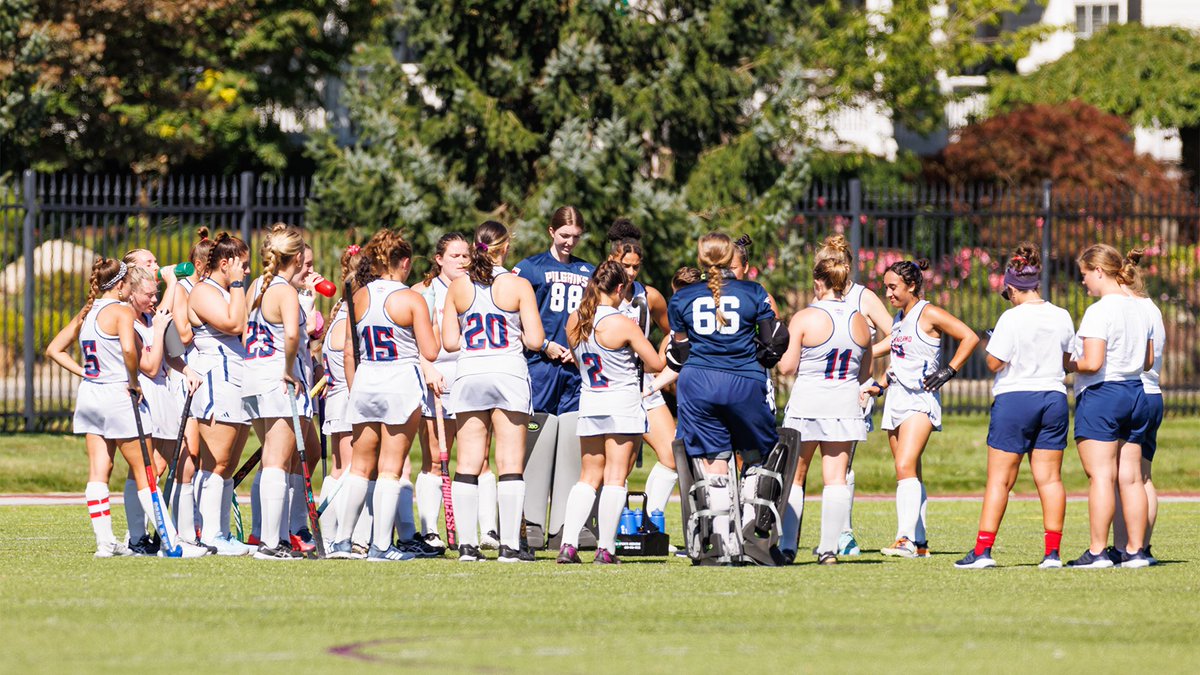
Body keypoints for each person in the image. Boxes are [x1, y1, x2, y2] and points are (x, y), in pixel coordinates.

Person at [46, 258, 205, 557]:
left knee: (99, 470)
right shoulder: (121, 311)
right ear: (121, 285)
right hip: (118, 394)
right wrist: (133, 382)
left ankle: (105, 543)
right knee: (146, 472)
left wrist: (86, 373)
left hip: (91, 395)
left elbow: (54, 349)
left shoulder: (87, 311)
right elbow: (131, 350)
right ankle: (171, 544)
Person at [667, 232, 790, 565]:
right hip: (743, 381)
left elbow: (680, 352)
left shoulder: (682, 297)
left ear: (702, 259)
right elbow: (772, 342)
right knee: (757, 455)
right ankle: (751, 537)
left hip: (698, 384)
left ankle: (722, 542)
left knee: (714, 462)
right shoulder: (754, 292)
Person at [954, 244, 1074, 570]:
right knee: (1050, 479)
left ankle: (982, 551)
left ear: (1011, 287)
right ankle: (1052, 554)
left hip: (1016, 398)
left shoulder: (1011, 317)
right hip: (1053, 397)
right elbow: (1067, 360)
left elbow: (994, 363)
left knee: (1000, 480)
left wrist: (991, 342)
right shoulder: (1061, 315)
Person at [328, 229, 439, 562]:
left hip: (365, 380)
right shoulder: (411, 298)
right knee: (391, 468)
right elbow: (430, 351)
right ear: (404, 262)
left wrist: (355, 389)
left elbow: (349, 351)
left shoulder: (358, 295)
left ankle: (343, 541)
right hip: (400, 381)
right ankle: (380, 545)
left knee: (359, 467)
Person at [443, 221, 546, 562]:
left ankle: (467, 546)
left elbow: (450, 342)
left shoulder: (458, 286)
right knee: (509, 462)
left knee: (468, 461)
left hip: (470, 372)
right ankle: (509, 546)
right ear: (506, 248)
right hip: (507, 372)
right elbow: (535, 340)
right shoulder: (518, 285)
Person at [557, 261, 667, 564]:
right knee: (615, 477)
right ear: (620, 288)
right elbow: (656, 364)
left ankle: (568, 545)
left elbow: (578, 361)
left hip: (591, 401)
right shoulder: (622, 323)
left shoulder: (576, 318)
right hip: (622, 403)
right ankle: (605, 549)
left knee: (587, 477)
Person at [868, 259, 979, 558]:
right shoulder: (899, 318)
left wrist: (950, 370)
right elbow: (897, 357)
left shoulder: (928, 313)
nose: (888, 293)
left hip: (920, 399)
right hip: (896, 399)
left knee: (904, 466)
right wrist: (879, 384)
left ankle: (903, 539)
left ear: (912, 285)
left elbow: (969, 337)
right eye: (886, 287)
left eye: (893, 287)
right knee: (910, 471)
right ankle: (920, 543)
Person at [775, 255, 874, 565]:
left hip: (808, 401)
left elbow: (787, 367)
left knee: (795, 477)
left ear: (818, 283)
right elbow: (866, 372)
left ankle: (787, 547)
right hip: (844, 402)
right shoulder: (860, 320)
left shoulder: (805, 317)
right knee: (836, 479)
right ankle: (829, 549)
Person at [806, 234, 894, 556]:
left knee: (842, 463)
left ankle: (844, 534)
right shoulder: (819, 299)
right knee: (823, 465)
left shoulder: (863, 297)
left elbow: (896, 334)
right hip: (820, 390)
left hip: (852, 388)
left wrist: (866, 352)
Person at [1066, 245, 1154, 569]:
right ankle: (1135, 550)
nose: (1084, 282)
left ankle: (1098, 551)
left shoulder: (1099, 311)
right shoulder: (1141, 308)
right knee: (1131, 478)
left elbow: (1092, 362)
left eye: (1085, 274)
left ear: (1099, 271)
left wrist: (1066, 363)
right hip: (1136, 393)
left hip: (1103, 395)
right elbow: (1148, 361)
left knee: (1101, 476)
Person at [513, 206, 595, 547]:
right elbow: (511, 320)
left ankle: (565, 524)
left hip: (574, 370)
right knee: (539, 435)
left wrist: (581, 351)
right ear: (551, 232)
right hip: (540, 365)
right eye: (564, 235)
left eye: (575, 237)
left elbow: (596, 318)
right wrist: (543, 345)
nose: (569, 242)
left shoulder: (588, 271)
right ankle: (531, 521)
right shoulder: (530, 269)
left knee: (572, 442)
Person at [411, 233, 494, 550]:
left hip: (471, 378)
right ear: (439, 259)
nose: (462, 261)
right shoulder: (423, 292)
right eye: (455, 256)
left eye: (465, 256)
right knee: (434, 459)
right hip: (438, 380)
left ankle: (488, 530)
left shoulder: (478, 287)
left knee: (480, 459)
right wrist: (427, 368)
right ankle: (430, 530)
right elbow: (410, 340)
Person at [241, 224, 313, 560]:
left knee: (271, 456)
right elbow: (292, 337)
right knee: (277, 461)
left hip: (253, 375)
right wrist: (287, 368)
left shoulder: (257, 285)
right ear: (297, 258)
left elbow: (244, 330)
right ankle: (272, 542)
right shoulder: (285, 291)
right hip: (276, 378)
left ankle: (271, 536)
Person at [126, 265, 205, 555]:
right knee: (148, 469)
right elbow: (148, 366)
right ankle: (138, 535)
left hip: (163, 394)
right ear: (131, 294)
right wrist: (159, 329)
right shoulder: (128, 323)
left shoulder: (152, 318)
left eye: (155, 293)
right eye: (148, 295)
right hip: (145, 396)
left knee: (183, 463)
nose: (154, 300)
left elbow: (169, 356)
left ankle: (183, 535)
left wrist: (187, 370)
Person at [606, 219, 679, 523]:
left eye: (636, 267)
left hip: (645, 385)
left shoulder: (649, 297)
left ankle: (649, 524)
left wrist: (659, 359)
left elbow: (674, 331)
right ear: (612, 260)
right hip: (612, 386)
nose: (631, 272)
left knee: (673, 455)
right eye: (626, 266)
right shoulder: (596, 295)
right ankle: (616, 527)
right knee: (618, 466)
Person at [187, 233, 255, 556]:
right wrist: (239, 285)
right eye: (242, 265)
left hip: (239, 378)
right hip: (218, 378)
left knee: (228, 464)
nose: (247, 271)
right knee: (216, 461)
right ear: (225, 264)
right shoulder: (204, 291)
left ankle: (222, 532)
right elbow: (233, 323)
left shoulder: (230, 291)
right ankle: (209, 533)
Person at [167, 228, 215, 545]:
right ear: (199, 265)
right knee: (187, 453)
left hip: (202, 377)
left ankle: (195, 523)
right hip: (182, 375)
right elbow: (182, 336)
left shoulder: (207, 291)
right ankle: (180, 527)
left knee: (200, 455)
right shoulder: (184, 289)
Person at [1113, 279, 1166, 560]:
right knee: (1144, 477)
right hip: (1154, 393)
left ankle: (1124, 547)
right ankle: (1142, 546)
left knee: (1124, 478)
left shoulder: (1127, 307)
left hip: (1134, 392)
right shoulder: (1153, 308)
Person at [316, 244, 362, 550]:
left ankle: (331, 536)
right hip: (346, 395)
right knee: (349, 469)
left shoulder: (340, 311)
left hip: (336, 398)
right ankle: (340, 538)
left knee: (338, 469)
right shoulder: (350, 316)